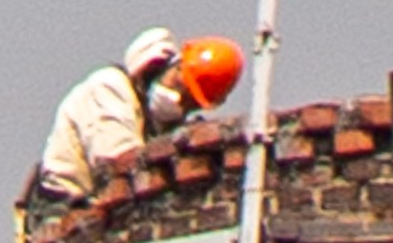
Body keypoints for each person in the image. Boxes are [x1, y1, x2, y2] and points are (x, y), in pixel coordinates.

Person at [24, 29, 244, 211]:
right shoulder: (109, 88)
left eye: (189, 103)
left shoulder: (158, 122)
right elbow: (117, 168)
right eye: (178, 85)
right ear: (171, 65)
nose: (177, 101)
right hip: (62, 207)